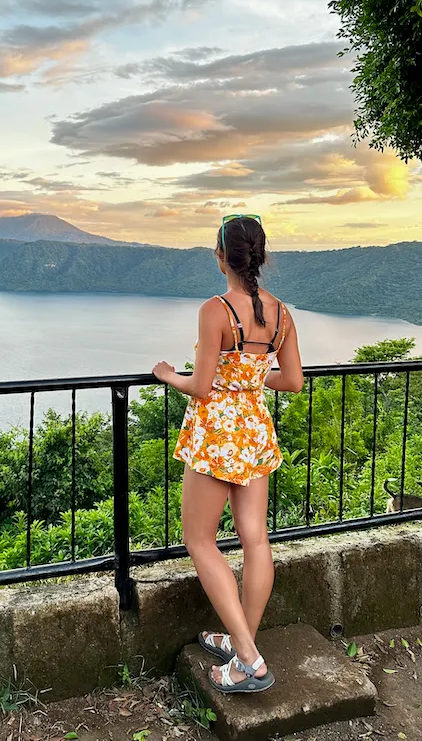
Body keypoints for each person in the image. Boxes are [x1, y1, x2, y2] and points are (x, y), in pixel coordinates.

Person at [152, 214, 303, 694]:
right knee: (255, 540)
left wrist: (165, 375)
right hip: (255, 430)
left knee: (200, 540)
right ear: (261, 255)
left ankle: (249, 658)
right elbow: (293, 381)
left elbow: (199, 386)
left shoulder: (216, 310)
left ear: (221, 257)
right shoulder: (281, 313)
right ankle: (244, 645)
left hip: (217, 433)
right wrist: (253, 378)